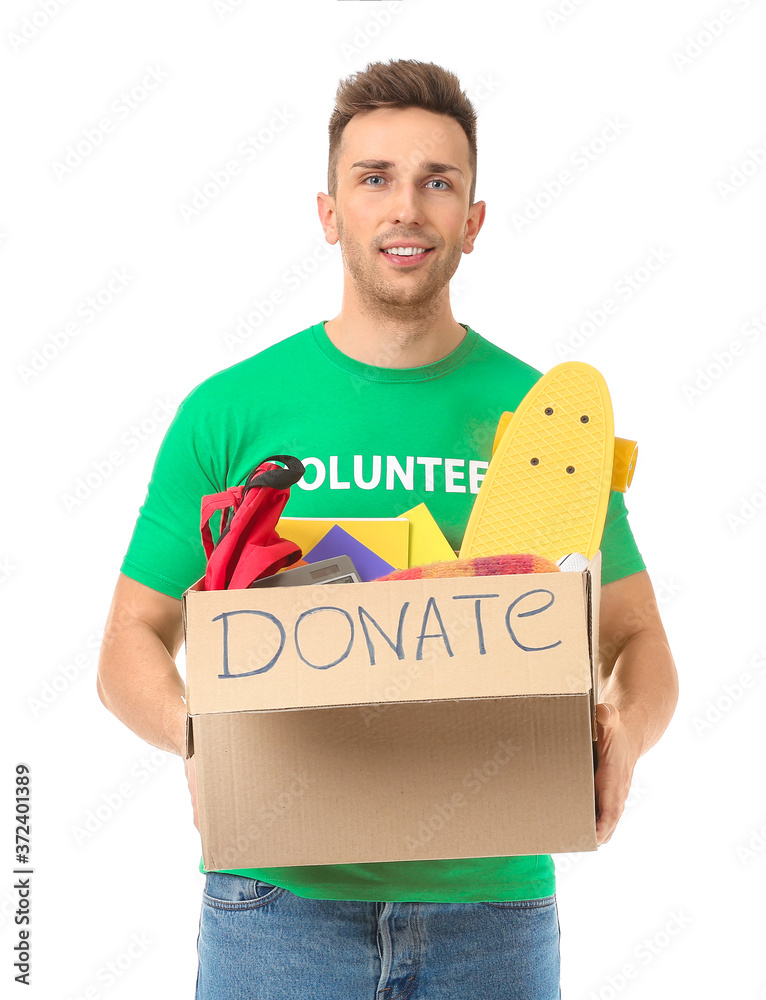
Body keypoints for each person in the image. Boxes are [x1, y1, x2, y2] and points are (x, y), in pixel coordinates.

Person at [97, 58, 678, 1000]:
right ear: (330, 213)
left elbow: (638, 635)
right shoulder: (229, 413)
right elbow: (129, 641)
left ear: (472, 222)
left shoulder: (544, 419)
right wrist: (196, 733)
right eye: (375, 179)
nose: (406, 207)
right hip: (276, 908)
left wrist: (625, 730)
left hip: (494, 907)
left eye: (437, 182)